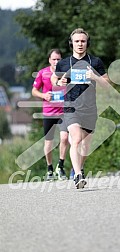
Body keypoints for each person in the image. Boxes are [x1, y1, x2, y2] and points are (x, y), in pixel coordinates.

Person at [54, 28, 110, 189]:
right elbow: (54, 79)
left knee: (85, 146)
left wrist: (94, 77)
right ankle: (78, 176)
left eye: (83, 41)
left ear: (87, 43)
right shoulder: (64, 63)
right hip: (71, 106)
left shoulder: (96, 62)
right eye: (77, 41)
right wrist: (59, 83)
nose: (80, 44)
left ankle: (78, 167)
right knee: (76, 139)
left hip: (90, 109)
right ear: (71, 43)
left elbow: (107, 85)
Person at [32, 48, 69, 181]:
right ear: (49, 60)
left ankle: (61, 165)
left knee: (64, 138)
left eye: (58, 59)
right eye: (53, 59)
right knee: (49, 141)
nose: (56, 61)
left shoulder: (66, 73)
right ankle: (49, 169)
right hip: (48, 112)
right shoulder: (43, 73)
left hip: (63, 112)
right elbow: (34, 91)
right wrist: (44, 95)